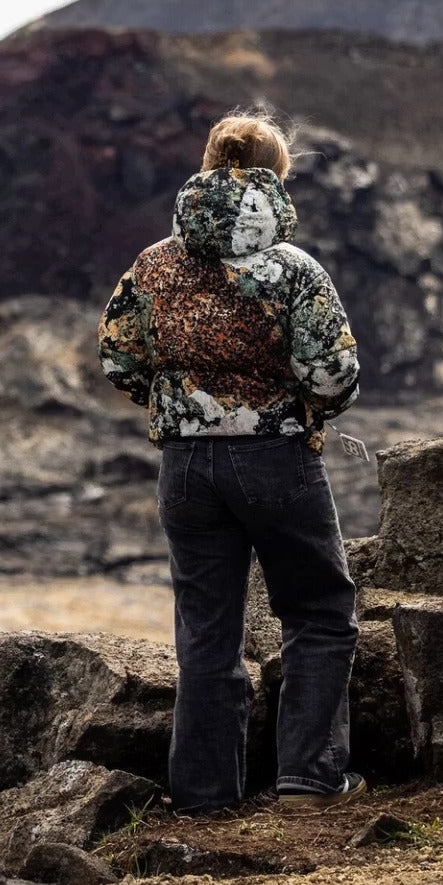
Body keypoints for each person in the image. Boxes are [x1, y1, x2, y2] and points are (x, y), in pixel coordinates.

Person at [98, 109, 366, 815]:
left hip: (184, 469)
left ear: (209, 167)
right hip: (277, 458)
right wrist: (297, 408)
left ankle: (204, 797)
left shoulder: (153, 263)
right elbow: (334, 374)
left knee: (206, 632)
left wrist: (179, 408)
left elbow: (118, 357)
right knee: (319, 611)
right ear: (277, 176)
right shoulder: (294, 270)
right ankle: (309, 781)